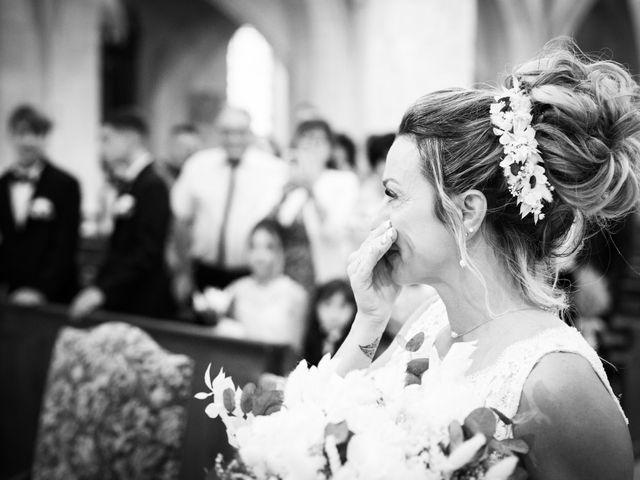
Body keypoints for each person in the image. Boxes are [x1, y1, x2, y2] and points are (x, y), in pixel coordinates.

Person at [334, 42, 634, 480]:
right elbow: (320, 427)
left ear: (467, 211)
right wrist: (369, 320)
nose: (380, 218)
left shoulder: (556, 383)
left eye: (393, 195)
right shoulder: (430, 319)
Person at [171, 106, 288, 298]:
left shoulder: (273, 170)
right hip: (203, 270)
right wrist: (183, 272)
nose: (234, 139)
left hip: (251, 274)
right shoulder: (198, 165)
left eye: (240, 132)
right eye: (227, 132)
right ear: (217, 133)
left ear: (250, 134)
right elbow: (181, 219)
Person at [70, 110, 175, 319]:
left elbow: (147, 250)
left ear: (130, 139)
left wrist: (103, 290)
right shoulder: (131, 181)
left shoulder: (152, 183)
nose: (102, 146)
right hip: (126, 295)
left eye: (107, 139)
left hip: (145, 299)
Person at [0, 105, 81, 305]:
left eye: (35, 134)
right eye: (21, 133)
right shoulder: (2, 184)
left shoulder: (65, 184)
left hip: (55, 295)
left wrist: (41, 291)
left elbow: (66, 244)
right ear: (11, 136)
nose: (27, 141)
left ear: (44, 138)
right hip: (12, 293)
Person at [197, 219, 308, 351]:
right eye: (254, 247)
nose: (260, 256)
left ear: (281, 251)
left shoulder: (296, 294)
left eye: (268, 247)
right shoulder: (237, 289)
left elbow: (296, 350)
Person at [275, 119, 360, 290]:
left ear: (330, 147)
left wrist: (311, 191)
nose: (312, 145)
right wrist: (283, 194)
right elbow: (276, 226)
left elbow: (333, 233)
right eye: (306, 139)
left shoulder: (344, 181)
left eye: (319, 140)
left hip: (325, 274)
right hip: (286, 278)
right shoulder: (287, 180)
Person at [304, 279, 357, 366]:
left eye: (342, 306)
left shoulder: (358, 337)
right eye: (327, 304)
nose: (334, 314)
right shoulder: (309, 334)